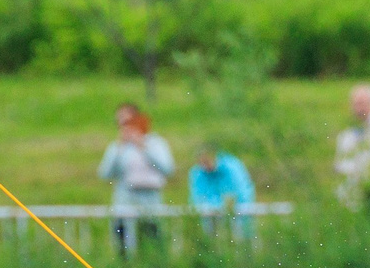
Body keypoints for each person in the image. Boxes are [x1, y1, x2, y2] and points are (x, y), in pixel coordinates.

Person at [97, 102, 174, 254]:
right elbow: (105, 174)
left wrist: (143, 147)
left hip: (151, 205)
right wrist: (119, 149)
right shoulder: (117, 147)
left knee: (153, 250)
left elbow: (167, 169)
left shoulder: (156, 143)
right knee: (125, 251)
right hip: (124, 204)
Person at [188, 144, 257, 238]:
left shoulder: (232, 168)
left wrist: (220, 207)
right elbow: (197, 196)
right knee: (209, 235)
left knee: (240, 236)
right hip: (211, 214)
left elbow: (241, 192)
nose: (205, 166)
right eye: (202, 162)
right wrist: (211, 207)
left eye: (207, 161)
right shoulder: (198, 172)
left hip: (237, 212)